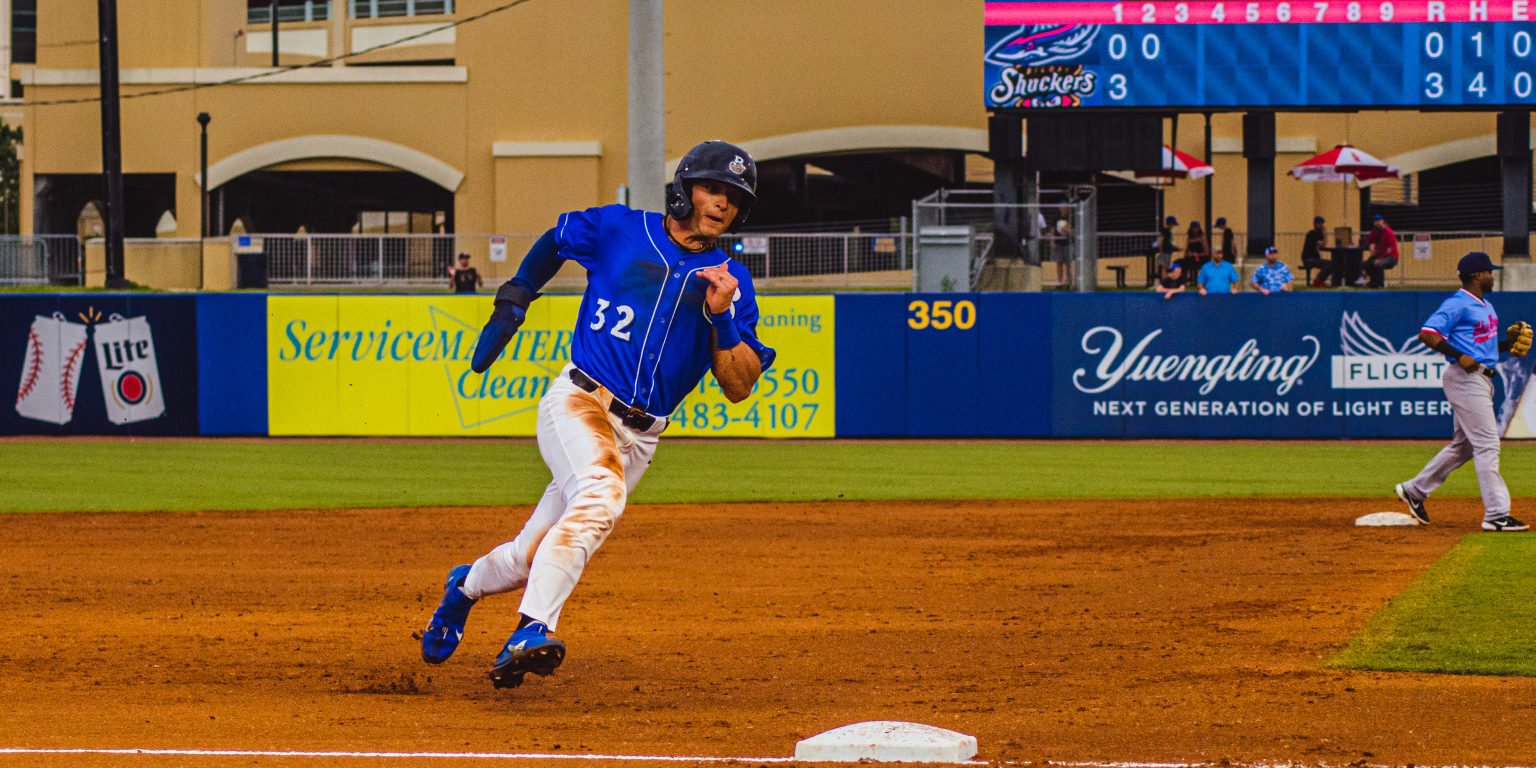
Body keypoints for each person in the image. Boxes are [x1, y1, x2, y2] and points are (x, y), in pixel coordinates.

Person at [419, 140, 776, 689]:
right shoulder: (621, 229)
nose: (722, 203)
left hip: (640, 437)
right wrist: (517, 294)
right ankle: (531, 629)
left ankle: (462, 588)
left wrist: (722, 317)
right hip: (581, 400)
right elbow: (558, 239)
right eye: (712, 188)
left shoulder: (731, 280)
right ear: (684, 189)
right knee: (600, 497)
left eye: (733, 197)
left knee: (525, 558)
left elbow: (738, 385)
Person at [1395, 252, 1530, 532]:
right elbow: (1428, 334)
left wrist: (1507, 343)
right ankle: (1496, 514)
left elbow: (1485, 350)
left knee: (1465, 447)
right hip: (1465, 379)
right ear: (1478, 275)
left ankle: (1415, 490)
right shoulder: (1457, 304)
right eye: (1489, 272)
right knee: (1488, 445)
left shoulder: (1486, 306)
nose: (1493, 276)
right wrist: (1457, 355)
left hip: (1481, 378)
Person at [1360, 214, 1399, 287]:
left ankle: (1380, 283)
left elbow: (1390, 248)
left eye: (1379, 220)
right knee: (1365, 264)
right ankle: (1373, 281)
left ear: (1383, 221)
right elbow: (1369, 242)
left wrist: (1381, 258)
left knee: (1378, 263)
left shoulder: (1389, 232)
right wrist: (1369, 246)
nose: (1377, 222)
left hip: (1391, 257)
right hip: (1379, 255)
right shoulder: (1374, 232)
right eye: (1376, 221)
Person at [1300, 216, 1333, 288]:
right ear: (1315, 224)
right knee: (1329, 264)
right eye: (1319, 223)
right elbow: (1320, 244)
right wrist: (1324, 235)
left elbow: (1323, 245)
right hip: (1308, 258)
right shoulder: (1311, 234)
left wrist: (1324, 234)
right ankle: (1318, 281)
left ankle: (1319, 281)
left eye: (1322, 223)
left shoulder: (1319, 234)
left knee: (1332, 263)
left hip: (1315, 257)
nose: (1321, 225)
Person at [1153, 215, 1181, 283]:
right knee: (1164, 267)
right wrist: (1161, 251)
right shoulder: (1166, 231)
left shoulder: (1168, 231)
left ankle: (1166, 280)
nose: (1173, 226)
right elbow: (1161, 241)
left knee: (1167, 267)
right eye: (1173, 224)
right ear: (1171, 224)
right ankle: (1164, 281)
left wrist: (1174, 247)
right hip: (1165, 251)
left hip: (1168, 252)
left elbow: (1168, 242)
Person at [1183, 220, 1208, 286]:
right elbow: (1186, 251)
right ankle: (1184, 281)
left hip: (1200, 258)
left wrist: (1197, 254)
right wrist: (1188, 254)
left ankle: (1198, 281)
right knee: (1181, 262)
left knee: (1195, 263)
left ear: (1199, 228)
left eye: (1196, 228)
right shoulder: (1189, 238)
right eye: (1193, 228)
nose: (1195, 229)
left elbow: (1206, 252)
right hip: (1191, 258)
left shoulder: (1202, 238)